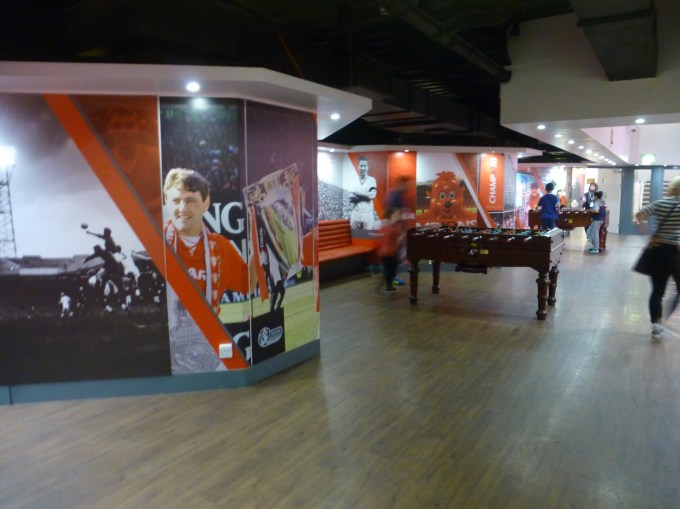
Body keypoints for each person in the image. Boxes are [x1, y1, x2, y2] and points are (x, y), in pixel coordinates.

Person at [163, 168, 249, 314]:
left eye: (190, 200)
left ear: (206, 203)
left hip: (208, 328)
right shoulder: (157, 242)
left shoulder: (220, 246)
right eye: (176, 201)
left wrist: (260, 240)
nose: (182, 208)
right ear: (166, 202)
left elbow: (248, 283)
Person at [635, 176, 680, 339]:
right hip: (675, 252)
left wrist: (649, 235)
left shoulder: (661, 203)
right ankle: (669, 312)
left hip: (658, 250)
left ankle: (656, 324)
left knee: (657, 291)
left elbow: (639, 215)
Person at [105, 105, 163, 225]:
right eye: (117, 126)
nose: (123, 131)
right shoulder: (104, 161)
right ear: (109, 130)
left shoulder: (156, 156)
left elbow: (170, 194)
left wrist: (139, 210)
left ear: (138, 129)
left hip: (154, 224)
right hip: (117, 223)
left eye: (129, 125)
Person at [377, 208, 405, 293]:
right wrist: (402, 237)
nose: (398, 216)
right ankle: (388, 285)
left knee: (390, 268)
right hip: (390, 253)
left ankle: (388, 281)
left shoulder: (385, 226)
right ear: (391, 215)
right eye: (396, 214)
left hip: (385, 252)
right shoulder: (392, 228)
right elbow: (397, 241)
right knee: (391, 270)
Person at [349, 156, 378, 230]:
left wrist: (356, 192)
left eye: (364, 166)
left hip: (367, 215)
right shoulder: (354, 180)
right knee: (355, 237)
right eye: (361, 166)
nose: (363, 168)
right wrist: (366, 195)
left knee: (367, 237)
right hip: (356, 214)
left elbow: (372, 195)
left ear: (367, 167)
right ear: (358, 166)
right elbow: (351, 198)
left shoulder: (372, 180)